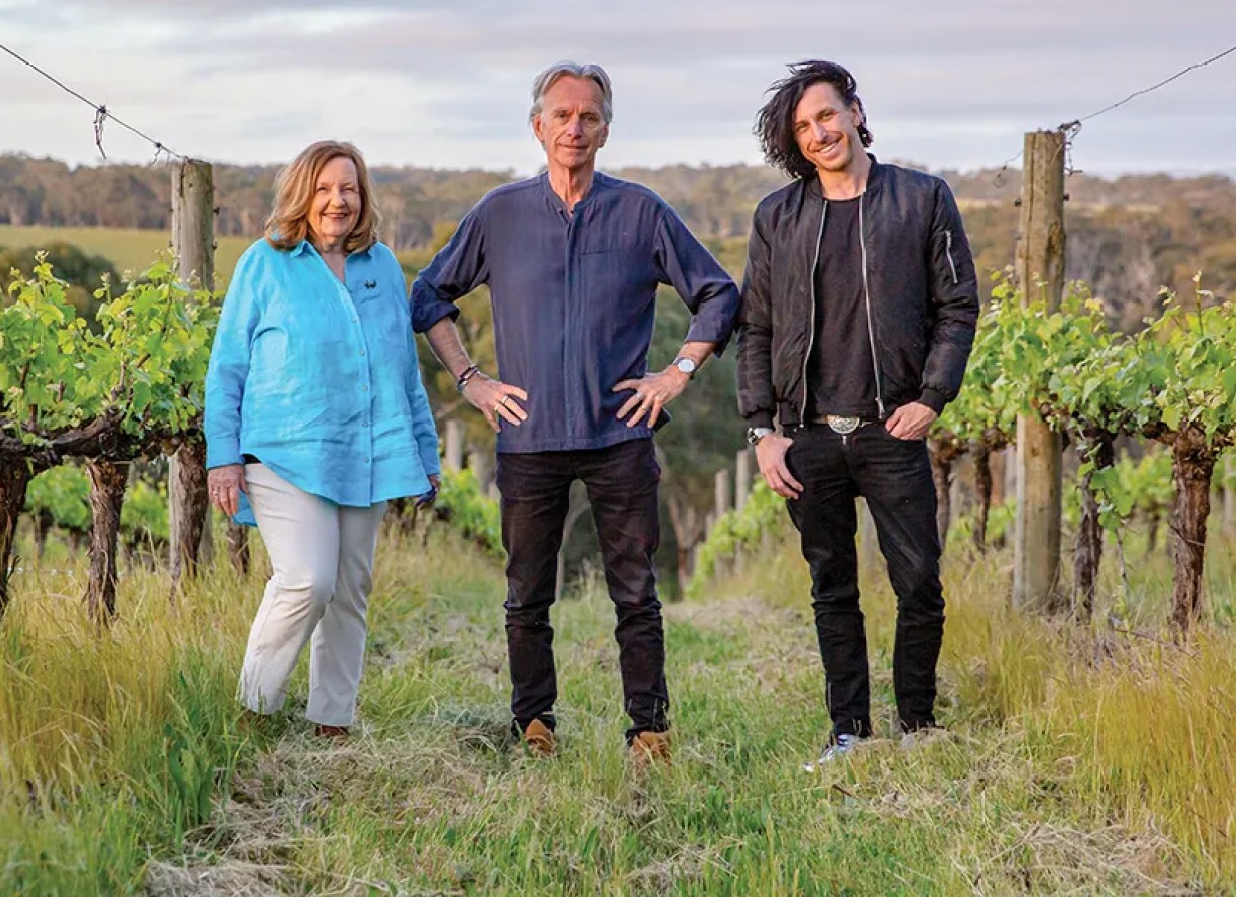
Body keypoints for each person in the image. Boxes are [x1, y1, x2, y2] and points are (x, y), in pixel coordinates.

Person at [410, 61, 739, 766]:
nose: (574, 127)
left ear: (606, 130)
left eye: (588, 116)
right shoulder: (499, 213)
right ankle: (534, 725)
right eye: (561, 115)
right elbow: (429, 295)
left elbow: (718, 294)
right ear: (537, 126)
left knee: (635, 594)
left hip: (620, 434)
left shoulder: (641, 211)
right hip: (527, 439)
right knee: (526, 594)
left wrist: (676, 371)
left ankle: (648, 731)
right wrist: (471, 381)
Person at [734, 59, 979, 769]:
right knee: (830, 588)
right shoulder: (777, 216)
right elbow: (754, 328)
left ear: (854, 111)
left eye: (826, 116)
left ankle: (917, 725)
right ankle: (848, 731)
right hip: (808, 437)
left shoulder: (922, 198)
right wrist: (762, 432)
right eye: (803, 128)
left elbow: (956, 307)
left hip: (890, 433)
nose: (818, 134)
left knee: (918, 583)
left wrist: (931, 396)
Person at [205, 139, 440, 740]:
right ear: (302, 195)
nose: (338, 201)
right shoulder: (264, 262)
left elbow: (404, 368)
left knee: (351, 590)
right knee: (309, 579)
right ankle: (253, 706)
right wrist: (223, 458)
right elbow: (227, 365)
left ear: (364, 200)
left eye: (350, 189)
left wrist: (424, 451)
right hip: (284, 451)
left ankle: (331, 721)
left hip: (365, 455)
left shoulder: (383, 266)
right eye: (325, 188)